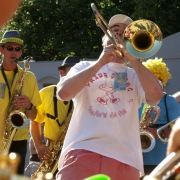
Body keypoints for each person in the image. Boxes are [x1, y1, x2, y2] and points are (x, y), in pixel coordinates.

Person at [56, 14, 163, 180]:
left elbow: (156, 96)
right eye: (114, 30)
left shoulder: (135, 74)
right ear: (103, 39)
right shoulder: (84, 66)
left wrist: (134, 60)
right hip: (83, 151)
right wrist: (100, 62)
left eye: (125, 33)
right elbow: (63, 93)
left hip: (125, 159)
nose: (119, 34)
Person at [29, 56, 80, 177]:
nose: (77, 76)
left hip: (78, 150)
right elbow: (35, 121)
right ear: (61, 73)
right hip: (52, 150)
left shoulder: (87, 95)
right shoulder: (46, 93)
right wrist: (39, 146)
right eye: (72, 71)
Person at [0, 30, 41, 174]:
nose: (14, 52)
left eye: (18, 49)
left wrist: (28, 105)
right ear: (1, 50)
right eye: (10, 48)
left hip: (17, 139)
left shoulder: (28, 77)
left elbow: (33, 116)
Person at [139, 57, 180, 177]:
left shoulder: (169, 101)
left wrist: (157, 133)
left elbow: (177, 129)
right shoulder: (134, 99)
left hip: (160, 158)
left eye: (158, 81)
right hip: (136, 159)